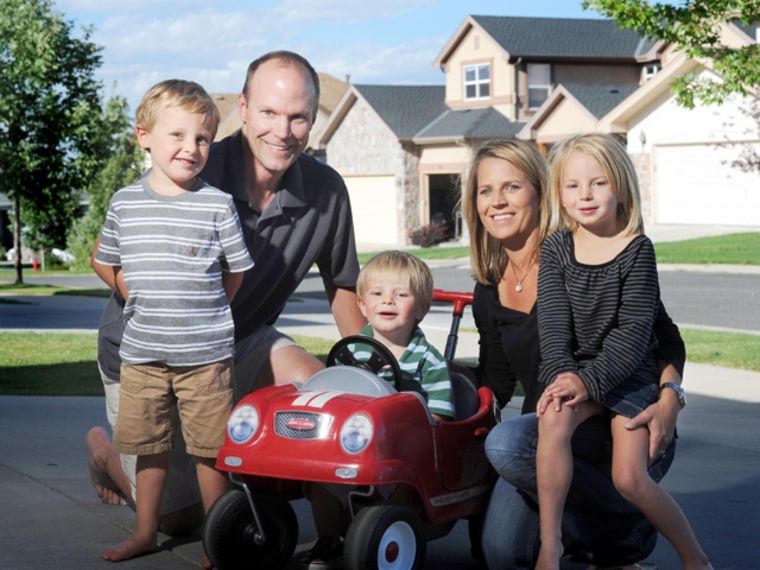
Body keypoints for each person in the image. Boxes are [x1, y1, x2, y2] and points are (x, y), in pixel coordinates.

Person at [86, 50, 366, 538]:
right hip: (148, 351)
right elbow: (111, 255)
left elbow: (341, 285)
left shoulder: (327, 191)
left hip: (242, 338)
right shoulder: (194, 160)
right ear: (243, 106)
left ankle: (334, 532)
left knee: (327, 393)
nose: (283, 130)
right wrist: (157, 307)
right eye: (269, 113)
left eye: (298, 117)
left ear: (313, 119)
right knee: (178, 521)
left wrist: (374, 373)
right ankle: (105, 456)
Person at [460, 138, 689, 569]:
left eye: (512, 187)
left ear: (541, 191)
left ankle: (627, 524)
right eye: (485, 191)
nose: (497, 202)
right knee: (501, 552)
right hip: (552, 429)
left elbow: (663, 337)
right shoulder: (488, 289)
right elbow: (496, 378)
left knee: (506, 443)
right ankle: (580, 530)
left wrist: (670, 398)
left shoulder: (587, 252)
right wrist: (427, 386)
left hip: (620, 417)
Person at [93, 79, 255, 566]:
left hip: (206, 358)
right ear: (143, 136)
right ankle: (144, 532)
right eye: (178, 136)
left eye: (203, 138)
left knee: (210, 451)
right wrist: (133, 294)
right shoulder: (125, 202)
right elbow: (104, 261)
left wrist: (207, 311)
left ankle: (218, 537)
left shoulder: (216, 205)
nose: (191, 148)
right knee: (149, 449)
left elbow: (237, 272)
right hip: (141, 355)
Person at [534, 133, 712, 569]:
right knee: (553, 417)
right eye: (572, 186)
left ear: (621, 186)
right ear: (559, 192)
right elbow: (554, 328)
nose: (585, 195)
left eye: (597, 182)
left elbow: (635, 333)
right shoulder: (556, 248)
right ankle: (550, 546)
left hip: (630, 374)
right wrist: (564, 377)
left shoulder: (637, 250)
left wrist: (590, 381)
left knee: (629, 477)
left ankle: (695, 559)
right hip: (578, 372)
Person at [302, 250, 455, 568]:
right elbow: (334, 393)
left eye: (401, 294)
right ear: (362, 305)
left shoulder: (429, 360)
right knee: (319, 481)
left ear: (422, 308)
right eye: (377, 294)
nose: (388, 301)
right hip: (351, 444)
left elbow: (439, 417)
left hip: (402, 453)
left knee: (397, 488)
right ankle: (329, 539)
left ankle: (389, 532)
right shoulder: (352, 350)